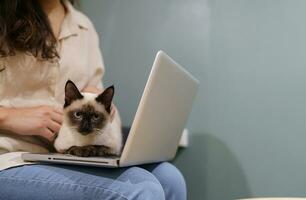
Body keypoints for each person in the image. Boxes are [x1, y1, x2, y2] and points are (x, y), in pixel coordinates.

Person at [0, 0, 186, 199]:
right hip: (8, 156)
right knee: (139, 189)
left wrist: (95, 94)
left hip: (65, 155)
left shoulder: (84, 27)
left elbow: (94, 88)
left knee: (170, 177)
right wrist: (9, 116)